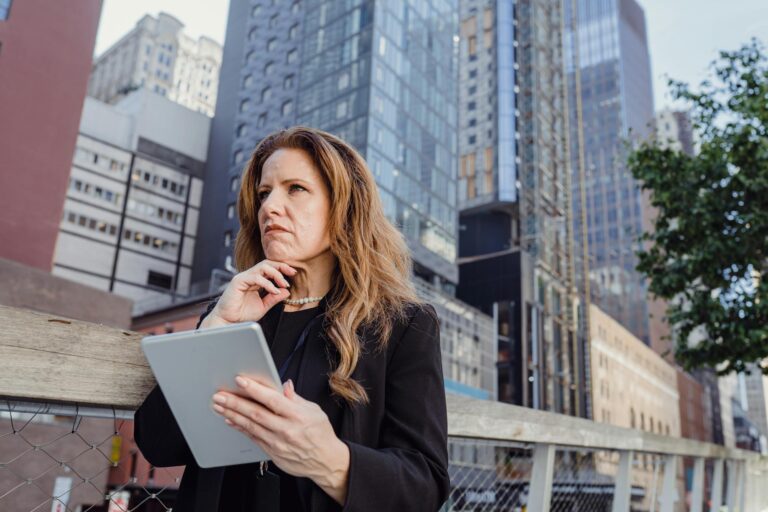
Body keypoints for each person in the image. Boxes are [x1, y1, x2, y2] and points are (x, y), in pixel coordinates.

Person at [133, 126, 450, 512]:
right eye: (264, 193)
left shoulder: (402, 325)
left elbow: (425, 486)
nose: (269, 207)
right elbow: (157, 445)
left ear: (344, 208)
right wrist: (215, 326)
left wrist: (330, 458)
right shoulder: (235, 310)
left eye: (295, 188)